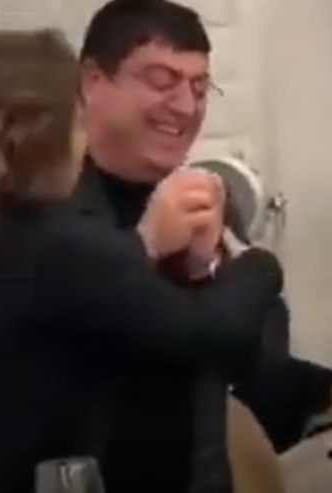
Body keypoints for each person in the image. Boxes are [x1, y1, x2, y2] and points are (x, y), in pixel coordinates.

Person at [0, 28, 284, 493]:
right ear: (35, 140)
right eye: (78, 125)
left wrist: (137, 250)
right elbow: (207, 334)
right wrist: (256, 263)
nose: (84, 144)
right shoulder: (51, 245)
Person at [78, 0, 332, 454]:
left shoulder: (208, 206)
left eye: (199, 88)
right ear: (93, 81)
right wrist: (142, 250)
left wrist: (325, 398)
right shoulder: (50, 208)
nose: (185, 106)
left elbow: (261, 381)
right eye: (162, 81)